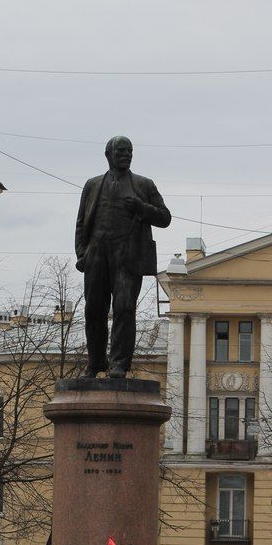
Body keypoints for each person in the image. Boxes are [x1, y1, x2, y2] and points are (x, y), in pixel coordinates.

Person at [75, 136, 171, 377]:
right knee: (94, 310)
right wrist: (82, 253)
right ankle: (96, 362)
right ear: (108, 154)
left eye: (129, 151)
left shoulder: (144, 185)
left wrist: (141, 207)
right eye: (121, 151)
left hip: (128, 255)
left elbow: (165, 217)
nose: (126, 155)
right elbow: (80, 223)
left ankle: (119, 364)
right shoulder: (92, 185)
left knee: (124, 308)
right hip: (96, 254)